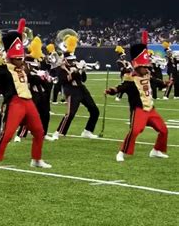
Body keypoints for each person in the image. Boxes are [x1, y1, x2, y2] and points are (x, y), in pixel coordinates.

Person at [0, 18, 51, 173]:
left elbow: (32, 78)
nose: (21, 60)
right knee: (6, 134)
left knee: (39, 131)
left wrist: (43, 78)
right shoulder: (4, 69)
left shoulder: (24, 68)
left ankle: (36, 159)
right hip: (15, 102)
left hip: (28, 101)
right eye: (18, 58)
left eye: (22, 58)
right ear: (11, 57)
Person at [105, 32, 168, 162]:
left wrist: (165, 84)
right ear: (137, 67)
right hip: (139, 110)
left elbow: (156, 82)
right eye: (144, 67)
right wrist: (112, 90)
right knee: (135, 131)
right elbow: (121, 87)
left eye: (147, 66)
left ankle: (156, 150)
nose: (147, 69)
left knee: (163, 130)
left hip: (151, 109)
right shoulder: (131, 79)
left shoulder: (147, 75)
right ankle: (121, 152)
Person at [52, 36, 99, 140]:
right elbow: (64, 80)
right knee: (70, 114)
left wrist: (82, 71)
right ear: (65, 60)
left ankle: (88, 131)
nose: (73, 62)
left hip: (82, 89)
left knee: (95, 110)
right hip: (71, 91)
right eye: (70, 60)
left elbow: (83, 79)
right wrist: (76, 71)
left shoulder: (75, 65)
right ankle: (58, 132)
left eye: (73, 60)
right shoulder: (61, 68)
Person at [15, 37, 55, 142]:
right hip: (32, 90)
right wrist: (37, 76)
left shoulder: (38, 61)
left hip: (42, 90)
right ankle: (20, 134)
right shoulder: (26, 62)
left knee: (45, 113)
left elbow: (46, 71)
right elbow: (27, 76)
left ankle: (44, 133)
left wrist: (45, 76)